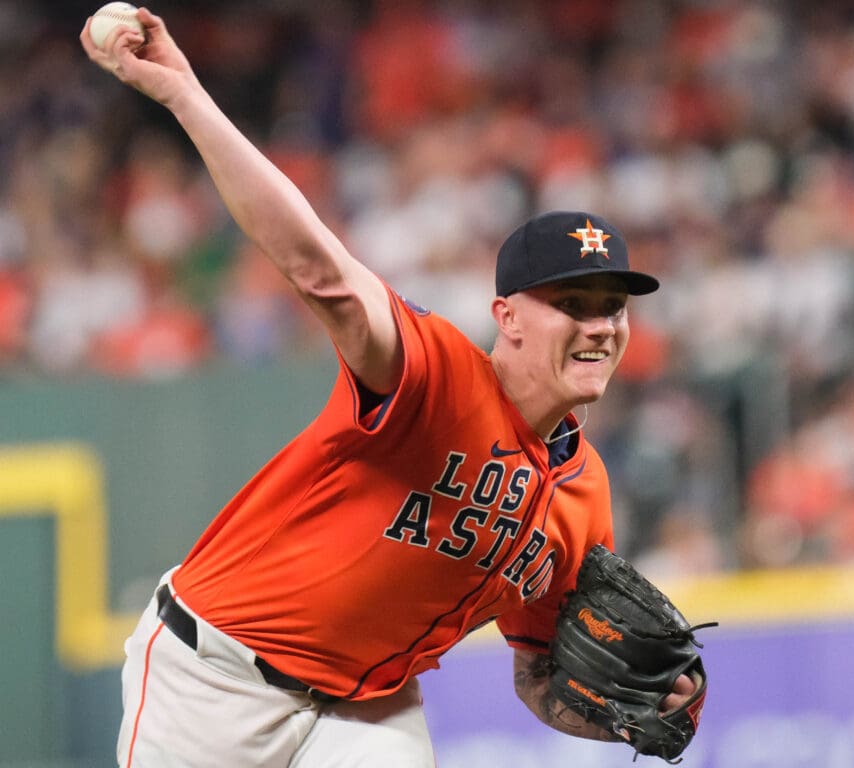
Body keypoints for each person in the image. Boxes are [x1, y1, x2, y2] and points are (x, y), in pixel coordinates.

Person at [81, 8, 699, 767]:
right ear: (506, 317)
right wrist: (184, 95)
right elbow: (319, 270)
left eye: (613, 308)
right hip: (215, 676)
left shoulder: (584, 497)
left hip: (368, 709)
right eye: (572, 306)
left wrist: (630, 717)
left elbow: (540, 675)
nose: (601, 326)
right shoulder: (434, 378)